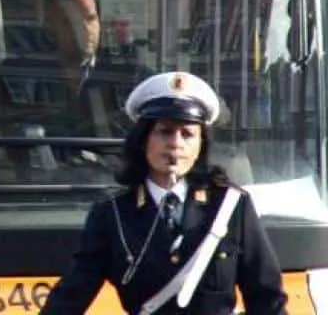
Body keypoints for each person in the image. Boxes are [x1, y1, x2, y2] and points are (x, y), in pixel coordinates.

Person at [40, 70, 287, 315]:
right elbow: (69, 298)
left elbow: (267, 301)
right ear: (143, 139)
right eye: (165, 131)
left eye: (188, 134)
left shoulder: (231, 206)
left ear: (201, 145)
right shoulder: (112, 214)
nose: (176, 143)